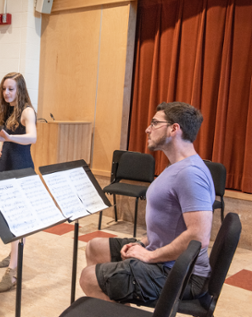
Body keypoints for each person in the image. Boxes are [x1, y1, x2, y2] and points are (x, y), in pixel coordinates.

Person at [80, 101, 215, 303]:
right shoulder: (176, 166)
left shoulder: (190, 174)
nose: (147, 129)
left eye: (154, 123)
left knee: (88, 278)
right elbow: (169, 227)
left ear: (174, 129)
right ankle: (112, 301)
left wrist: (151, 256)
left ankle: (110, 298)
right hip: (164, 257)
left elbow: (199, 236)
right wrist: (141, 243)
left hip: (182, 274)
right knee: (94, 247)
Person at [0, 72, 37, 293]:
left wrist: (9, 140)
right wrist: (2, 145)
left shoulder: (27, 111)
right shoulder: (8, 111)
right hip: (8, 163)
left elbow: (31, 137)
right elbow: (7, 135)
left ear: (20, 89)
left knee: (18, 219)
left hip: (21, 167)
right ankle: (13, 255)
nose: (6, 93)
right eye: (4, 89)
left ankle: (12, 272)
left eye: (11, 89)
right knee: (7, 216)